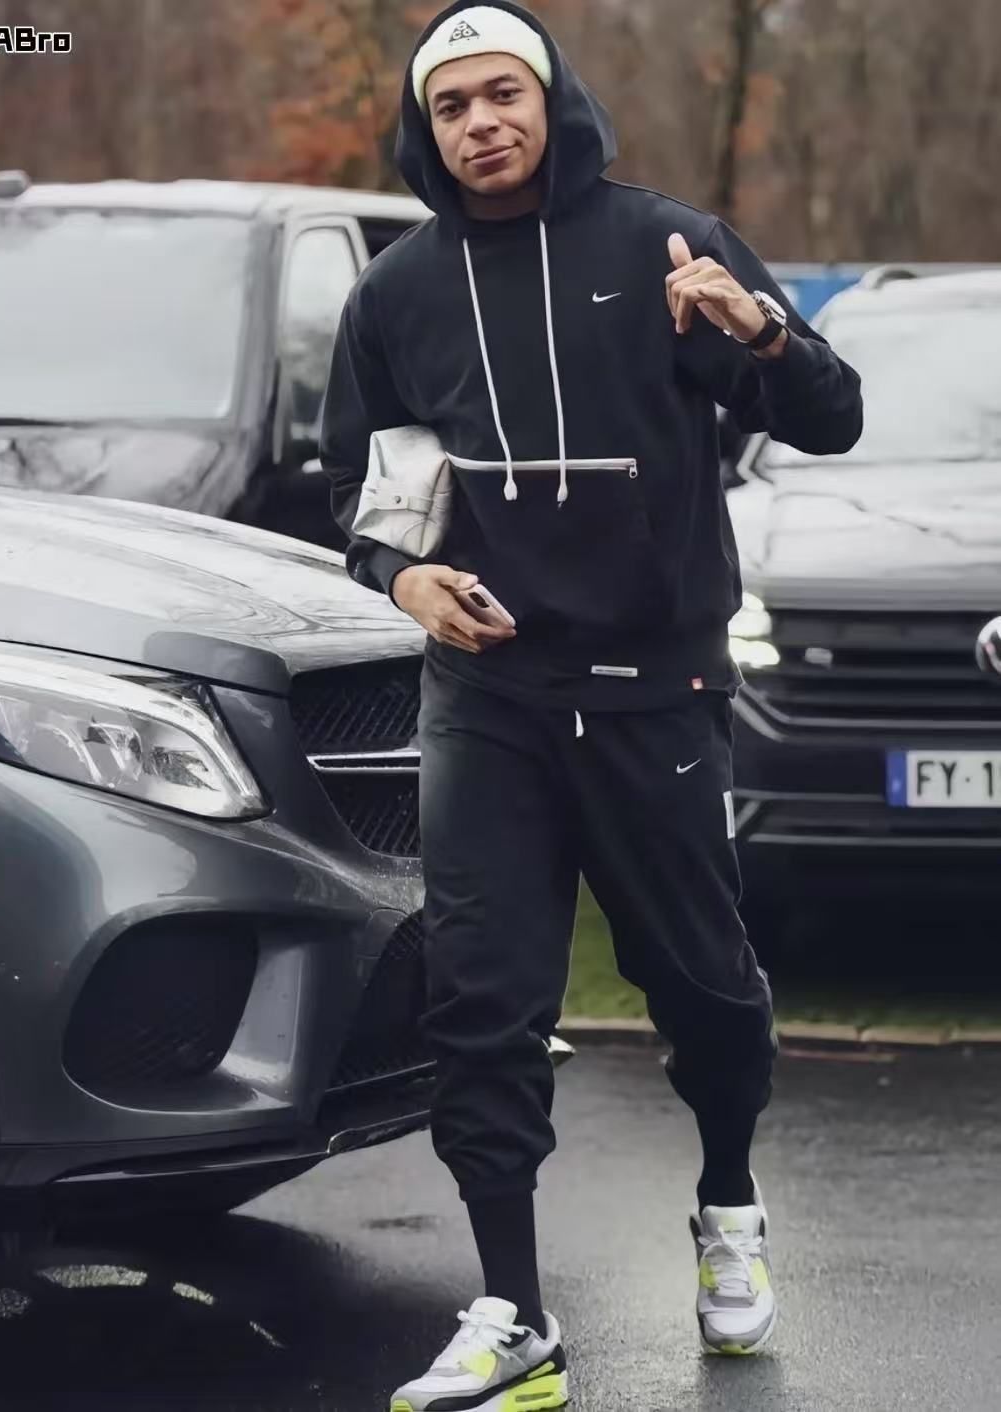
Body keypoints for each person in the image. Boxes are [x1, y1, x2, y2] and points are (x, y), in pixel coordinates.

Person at [321, 3, 863, 1407]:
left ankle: (729, 1203)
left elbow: (833, 418)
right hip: (487, 698)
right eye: (452, 107)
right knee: (479, 1005)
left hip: (653, 693)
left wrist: (760, 334)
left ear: (552, 101)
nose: (482, 123)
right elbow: (365, 497)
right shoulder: (397, 295)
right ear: (424, 131)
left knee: (703, 988)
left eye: (503, 94)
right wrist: (403, 578)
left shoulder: (665, 245)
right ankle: (514, 1313)